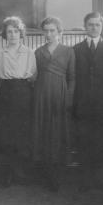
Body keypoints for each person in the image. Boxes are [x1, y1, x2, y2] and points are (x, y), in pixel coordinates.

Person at [33, 16, 75, 191]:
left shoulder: (68, 51)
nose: (49, 34)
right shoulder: (38, 52)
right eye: (46, 31)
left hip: (60, 95)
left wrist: (68, 98)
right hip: (41, 95)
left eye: (52, 31)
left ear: (59, 32)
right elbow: (34, 76)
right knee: (43, 132)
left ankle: (58, 176)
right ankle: (45, 175)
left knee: (58, 132)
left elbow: (72, 78)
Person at [73, 12, 103, 191]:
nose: (94, 28)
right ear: (85, 27)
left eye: (97, 25)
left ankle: (101, 181)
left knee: (102, 141)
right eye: (90, 24)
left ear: (102, 26)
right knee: (83, 141)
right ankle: (85, 181)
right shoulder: (76, 49)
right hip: (82, 103)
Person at [0, 16, 37, 187]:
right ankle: (7, 172)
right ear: (5, 34)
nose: (12, 35)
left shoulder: (29, 52)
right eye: (9, 32)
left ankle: (20, 171)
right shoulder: (0, 53)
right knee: (6, 133)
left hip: (23, 92)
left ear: (21, 33)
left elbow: (33, 75)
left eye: (15, 31)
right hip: (5, 92)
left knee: (22, 132)